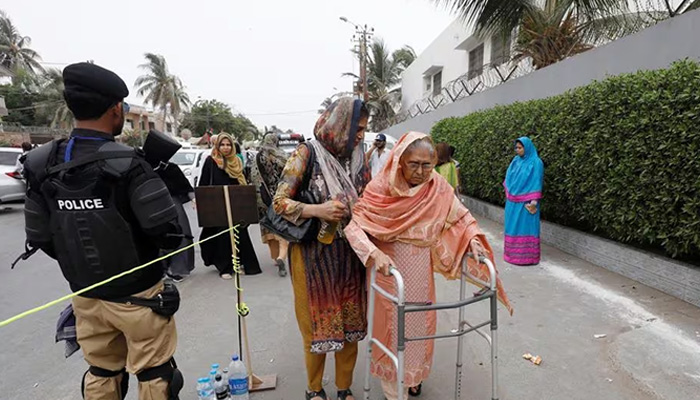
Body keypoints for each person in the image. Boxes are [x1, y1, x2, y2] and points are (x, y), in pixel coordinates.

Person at [21, 62, 184, 400]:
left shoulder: (41, 163)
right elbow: (167, 231)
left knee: (102, 372)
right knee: (157, 375)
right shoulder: (130, 164)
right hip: (141, 298)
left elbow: (40, 236)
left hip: (87, 297)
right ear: (115, 109)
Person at [345, 132, 513, 400]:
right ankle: (393, 387)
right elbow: (354, 227)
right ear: (400, 160)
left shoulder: (437, 186)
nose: (421, 171)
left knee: (420, 327)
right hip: (388, 271)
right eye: (414, 164)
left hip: (420, 272)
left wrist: (472, 241)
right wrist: (374, 254)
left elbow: (461, 217)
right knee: (390, 329)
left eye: (427, 165)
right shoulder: (380, 188)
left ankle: (415, 376)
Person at [273, 97, 370, 400]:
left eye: (364, 130)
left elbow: (369, 197)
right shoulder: (307, 153)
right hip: (313, 255)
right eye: (357, 129)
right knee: (316, 326)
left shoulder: (358, 157)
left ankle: (343, 388)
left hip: (350, 253)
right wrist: (319, 210)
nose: (360, 136)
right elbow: (279, 202)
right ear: (341, 123)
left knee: (351, 325)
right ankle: (314, 389)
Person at [199, 132, 262, 278]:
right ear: (217, 146)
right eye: (222, 145)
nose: (226, 148)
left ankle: (240, 263)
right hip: (217, 204)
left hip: (235, 203)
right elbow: (204, 184)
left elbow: (241, 182)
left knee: (240, 233)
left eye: (228, 145)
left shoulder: (236, 161)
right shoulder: (211, 161)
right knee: (223, 235)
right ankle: (225, 268)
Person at [250, 132, 289, 277]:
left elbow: (252, 177)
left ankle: (275, 257)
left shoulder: (256, 157)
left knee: (269, 228)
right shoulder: (281, 156)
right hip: (280, 198)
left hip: (262, 199)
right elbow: (289, 175)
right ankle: (281, 257)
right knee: (282, 228)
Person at [503, 136, 544, 265]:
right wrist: (510, 192)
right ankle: (512, 256)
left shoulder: (536, 162)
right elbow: (509, 177)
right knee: (512, 228)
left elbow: (537, 181)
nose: (518, 150)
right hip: (512, 202)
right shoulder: (515, 161)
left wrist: (533, 202)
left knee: (526, 228)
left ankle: (528, 258)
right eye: (516, 148)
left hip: (527, 203)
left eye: (520, 148)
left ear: (527, 148)